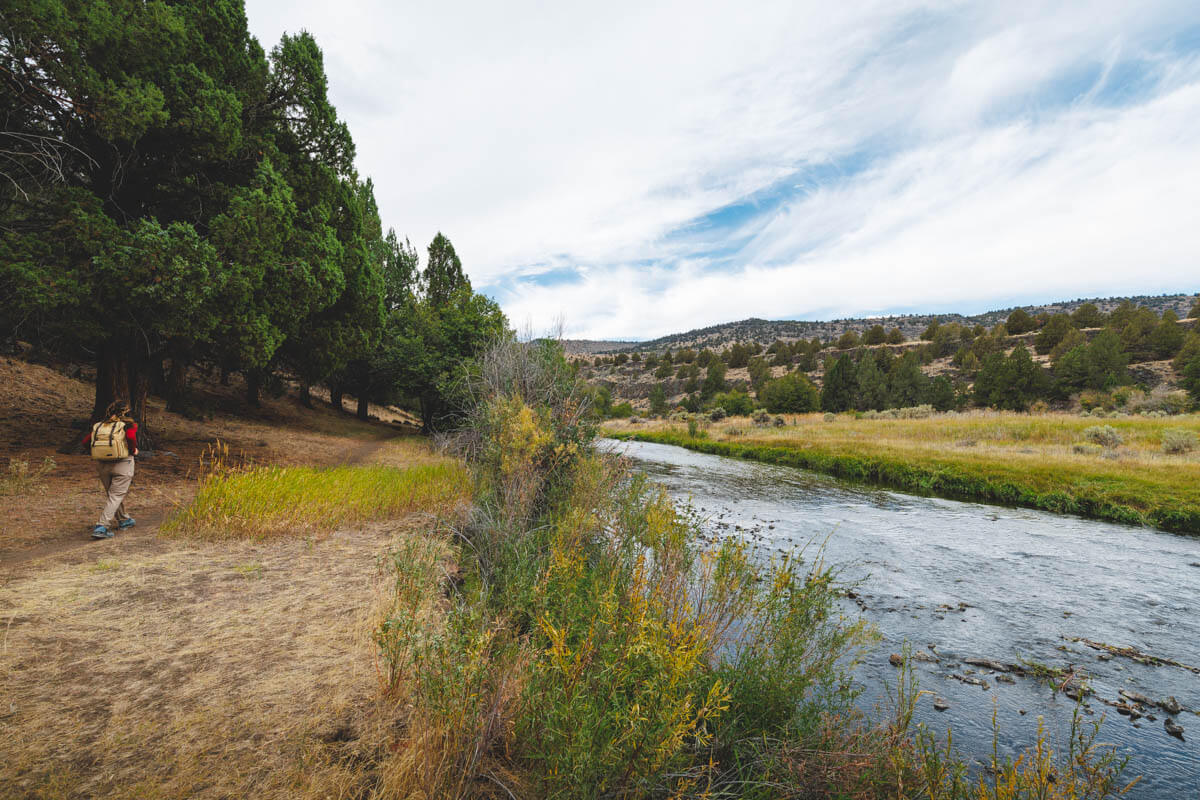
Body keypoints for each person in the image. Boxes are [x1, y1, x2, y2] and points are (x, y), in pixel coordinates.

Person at [83, 399, 140, 539]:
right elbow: (131, 437)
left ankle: (124, 520)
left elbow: (86, 442)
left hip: (102, 464)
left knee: (113, 495)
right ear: (126, 411)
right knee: (116, 496)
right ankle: (101, 527)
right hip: (122, 463)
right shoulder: (128, 425)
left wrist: (98, 452)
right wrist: (133, 450)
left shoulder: (101, 426)